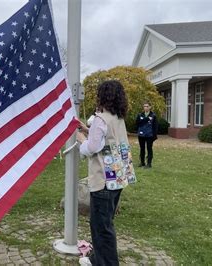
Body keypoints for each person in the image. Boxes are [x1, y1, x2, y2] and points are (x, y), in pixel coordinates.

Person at [76, 80, 136, 266]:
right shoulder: (117, 117)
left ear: (103, 96)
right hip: (117, 178)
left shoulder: (101, 118)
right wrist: (88, 129)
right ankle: (97, 259)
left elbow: (93, 147)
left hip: (102, 180)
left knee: (101, 227)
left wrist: (80, 139)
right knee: (105, 222)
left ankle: (106, 263)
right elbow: (106, 140)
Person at [136, 101, 158, 168]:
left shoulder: (153, 116)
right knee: (142, 149)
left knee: (149, 149)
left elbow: (155, 127)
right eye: (144, 106)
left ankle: (149, 163)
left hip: (149, 135)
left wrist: (154, 136)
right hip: (141, 135)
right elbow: (137, 123)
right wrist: (147, 119)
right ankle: (142, 162)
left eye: (147, 106)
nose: (145, 108)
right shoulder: (140, 115)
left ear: (150, 107)